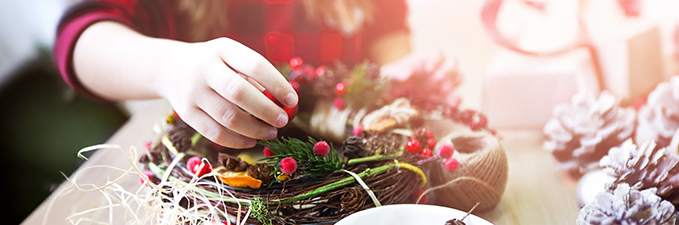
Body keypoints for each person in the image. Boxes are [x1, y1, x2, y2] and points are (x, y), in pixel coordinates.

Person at [55, 0, 457, 149]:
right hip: (222, 181)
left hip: (346, 178)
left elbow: (388, 34)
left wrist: (392, 78)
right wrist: (168, 66)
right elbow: (83, 36)